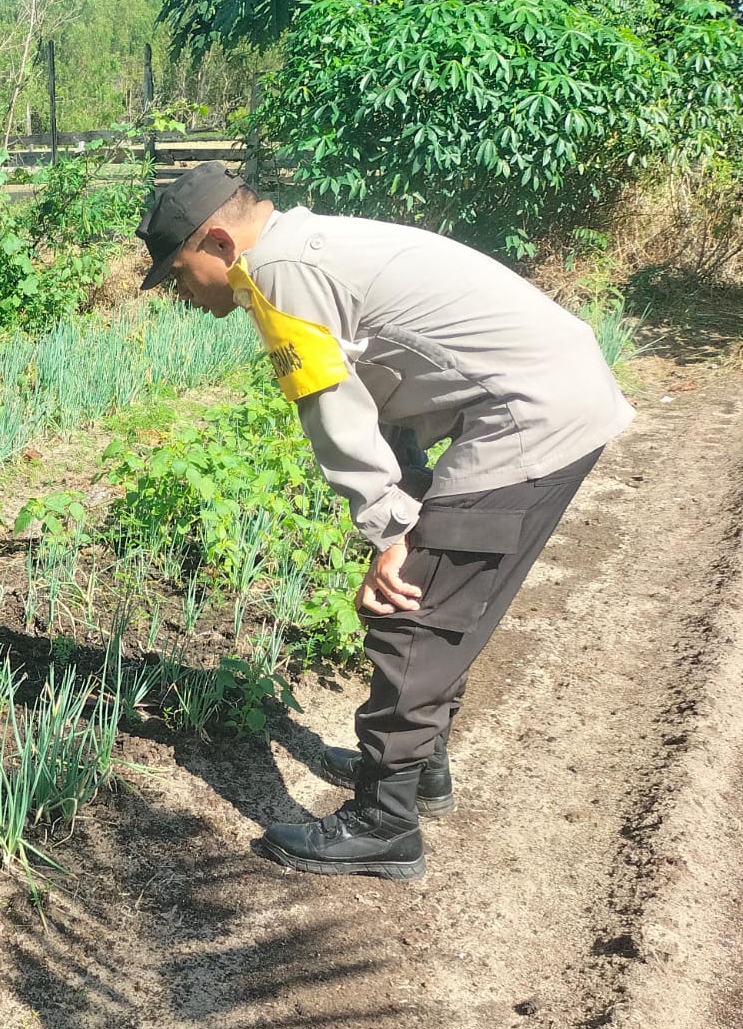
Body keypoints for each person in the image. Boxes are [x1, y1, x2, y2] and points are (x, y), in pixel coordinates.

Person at [134, 163, 633, 882]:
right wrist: (404, 503)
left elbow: (333, 411)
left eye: (178, 274)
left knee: (411, 610)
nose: (181, 294)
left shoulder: (279, 275)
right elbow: (380, 380)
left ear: (218, 241)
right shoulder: (304, 248)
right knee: (429, 589)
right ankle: (419, 771)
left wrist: (391, 530)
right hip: (534, 395)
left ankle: (384, 822)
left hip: (527, 414)